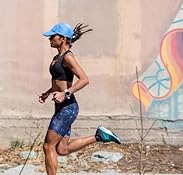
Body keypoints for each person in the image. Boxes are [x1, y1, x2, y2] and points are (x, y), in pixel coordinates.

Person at [38, 22, 121, 175]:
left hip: (68, 107)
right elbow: (60, 81)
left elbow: (84, 79)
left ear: (62, 38)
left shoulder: (68, 57)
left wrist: (65, 93)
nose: (49, 39)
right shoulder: (57, 57)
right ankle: (100, 136)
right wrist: (48, 92)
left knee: (48, 146)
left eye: (52, 36)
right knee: (62, 149)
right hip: (62, 107)